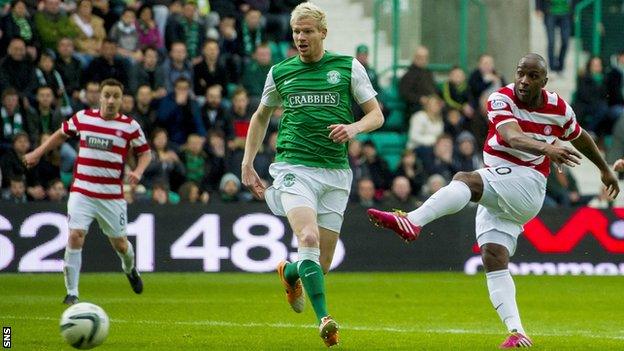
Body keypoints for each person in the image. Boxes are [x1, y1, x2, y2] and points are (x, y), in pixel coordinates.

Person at [367, 53, 620, 349]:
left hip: (527, 182)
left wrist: (604, 169)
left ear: (544, 81)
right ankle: (517, 332)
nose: (524, 81)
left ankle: (412, 221)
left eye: (532, 76)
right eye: (520, 73)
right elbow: (511, 136)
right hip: (501, 181)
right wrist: (546, 148)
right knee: (493, 255)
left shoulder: (558, 108)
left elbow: (579, 136)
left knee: (465, 179)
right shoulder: (501, 98)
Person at [240, 2, 384, 347]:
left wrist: (353, 128)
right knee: (307, 238)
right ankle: (326, 320)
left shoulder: (347, 68)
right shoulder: (280, 72)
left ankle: (289, 273)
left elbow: (376, 115)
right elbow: (261, 116)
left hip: (335, 172)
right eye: (296, 32)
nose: (301, 37)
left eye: (307, 31)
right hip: (293, 167)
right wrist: (248, 162)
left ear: (323, 33)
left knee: (321, 263)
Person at [23, 78, 152, 305]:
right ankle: (72, 292)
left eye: (116, 96)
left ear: (122, 100)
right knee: (75, 235)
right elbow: (61, 134)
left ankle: (130, 269)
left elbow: (145, 153)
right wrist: (38, 152)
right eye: (107, 95)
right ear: (100, 97)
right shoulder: (84, 118)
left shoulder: (130, 126)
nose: (111, 100)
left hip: (111, 196)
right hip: (82, 191)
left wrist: (139, 172)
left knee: (121, 245)